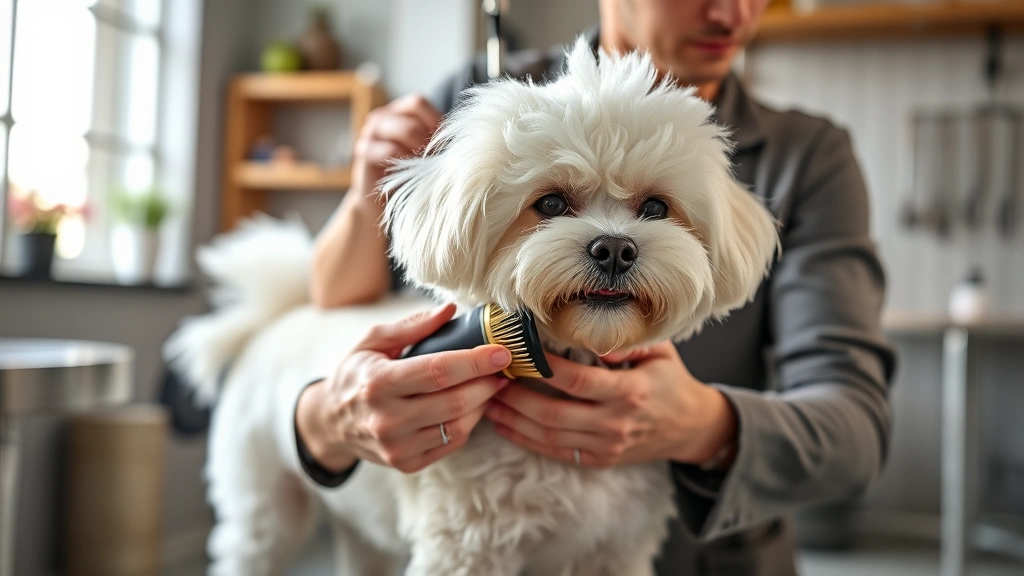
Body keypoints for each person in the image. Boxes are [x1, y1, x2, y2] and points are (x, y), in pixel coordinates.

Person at [297, 0, 896, 573]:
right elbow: (333, 309)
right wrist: (364, 199)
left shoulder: (810, 155)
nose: (730, 12)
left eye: (655, 208)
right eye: (554, 203)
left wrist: (700, 425)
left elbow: (856, 433)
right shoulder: (480, 95)